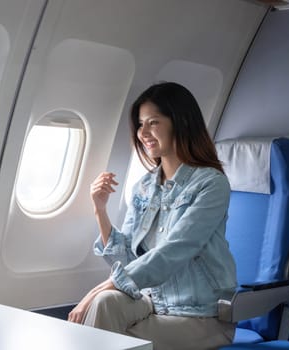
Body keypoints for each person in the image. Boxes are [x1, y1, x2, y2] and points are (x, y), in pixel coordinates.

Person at [68, 82, 237, 350]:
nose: (143, 132)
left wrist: (100, 287)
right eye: (140, 124)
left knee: (115, 340)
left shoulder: (211, 184)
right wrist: (100, 209)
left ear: (180, 122)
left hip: (200, 314)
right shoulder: (144, 187)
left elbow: (176, 250)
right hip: (152, 302)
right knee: (104, 305)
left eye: (153, 122)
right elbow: (129, 260)